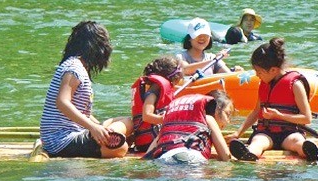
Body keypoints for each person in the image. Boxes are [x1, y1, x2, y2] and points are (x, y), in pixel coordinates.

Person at [40, 21, 131, 158]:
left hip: (74, 132)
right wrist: (93, 128)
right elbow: (62, 102)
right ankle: (111, 139)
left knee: (128, 122)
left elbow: (81, 112)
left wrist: (98, 126)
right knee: (121, 148)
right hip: (60, 140)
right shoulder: (73, 68)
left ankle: (109, 135)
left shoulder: (77, 66)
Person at [226, 38, 318, 162]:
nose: (256, 75)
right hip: (267, 133)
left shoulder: (296, 85)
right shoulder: (263, 84)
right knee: (258, 141)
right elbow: (255, 113)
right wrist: (238, 133)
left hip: (289, 133)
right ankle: (248, 154)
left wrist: (280, 115)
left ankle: (308, 150)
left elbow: (306, 118)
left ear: (273, 70)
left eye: (259, 72)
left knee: (297, 141)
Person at [143, 90, 233, 163]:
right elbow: (225, 156)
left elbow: (148, 155)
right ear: (217, 110)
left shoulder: (171, 121)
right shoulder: (209, 119)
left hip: (164, 159)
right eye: (228, 114)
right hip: (190, 160)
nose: (228, 120)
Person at [131, 56, 184, 152]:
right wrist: (163, 119)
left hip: (153, 140)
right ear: (173, 77)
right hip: (149, 143)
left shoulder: (157, 89)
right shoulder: (152, 94)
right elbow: (146, 116)